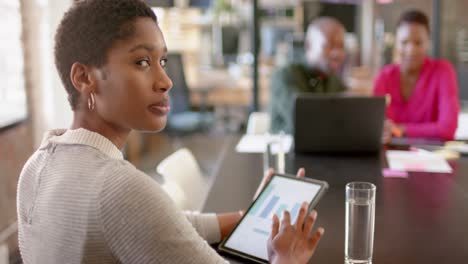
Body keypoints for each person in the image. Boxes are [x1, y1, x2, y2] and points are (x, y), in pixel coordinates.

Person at [16, 0, 324, 263]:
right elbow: (137, 213)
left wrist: (246, 219)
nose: (165, 81)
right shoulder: (116, 188)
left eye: (162, 61)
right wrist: (287, 258)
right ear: (84, 77)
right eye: (141, 62)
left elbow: (157, 224)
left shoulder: (36, 167)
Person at [374, 9, 459, 141]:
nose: (411, 50)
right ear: (396, 43)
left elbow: (447, 129)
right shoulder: (384, 77)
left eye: (418, 42)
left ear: (428, 43)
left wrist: (399, 129)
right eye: (404, 42)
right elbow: (376, 126)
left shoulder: (443, 71)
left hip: (432, 157)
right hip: (391, 155)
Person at [269, 17, 347, 134]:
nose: (337, 53)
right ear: (309, 46)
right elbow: (303, 121)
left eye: (340, 46)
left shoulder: (334, 80)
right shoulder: (285, 76)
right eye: (328, 46)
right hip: (286, 149)